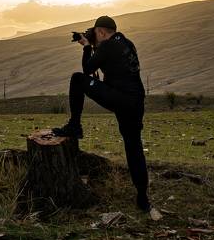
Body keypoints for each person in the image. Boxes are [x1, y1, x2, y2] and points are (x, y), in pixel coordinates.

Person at [52, 15, 150, 212]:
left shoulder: (107, 46)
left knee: (77, 79)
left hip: (119, 97)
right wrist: (93, 45)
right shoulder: (126, 43)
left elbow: (87, 69)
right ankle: (142, 197)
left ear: (102, 32)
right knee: (133, 146)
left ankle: (75, 126)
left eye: (95, 33)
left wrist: (86, 47)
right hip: (135, 101)